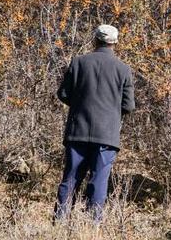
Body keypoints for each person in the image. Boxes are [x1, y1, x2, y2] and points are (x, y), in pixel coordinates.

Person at [54, 24, 135, 223]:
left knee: (71, 178)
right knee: (99, 180)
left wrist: (79, 105)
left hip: (77, 131)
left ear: (94, 39)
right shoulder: (123, 69)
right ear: (115, 43)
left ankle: (60, 222)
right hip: (107, 135)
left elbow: (63, 94)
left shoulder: (78, 62)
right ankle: (93, 226)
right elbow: (129, 105)